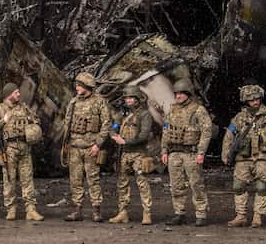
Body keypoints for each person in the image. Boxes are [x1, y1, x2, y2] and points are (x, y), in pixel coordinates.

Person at [224, 84, 266, 227]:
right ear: (245, 101)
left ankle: (258, 216)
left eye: (257, 99)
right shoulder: (239, 118)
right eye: (251, 100)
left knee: (262, 186)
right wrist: (226, 154)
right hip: (243, 158)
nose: (255, 102)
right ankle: (241, 215)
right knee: (239, 186)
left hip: (262, 158)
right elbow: (229, 136)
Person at [161, 79, 213, 226]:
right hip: (174, 153)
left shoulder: (198, 110)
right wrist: (164, 150)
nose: (178, 96)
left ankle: (201, 214)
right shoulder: (172, 110)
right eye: (176, 93)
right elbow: (166, 131)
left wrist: (201, 152)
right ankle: (179, 213)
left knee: (196, 184)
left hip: (191, 153)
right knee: (176, 185)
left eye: (181, 94)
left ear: (188, 94)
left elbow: (206, 131)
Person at [0, 83, 44, 222]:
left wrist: (32, 127)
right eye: (16, 92)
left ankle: (30, 209)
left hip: (24, 148)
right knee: (9, 180)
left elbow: (36, 120)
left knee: (27, 179)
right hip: (9, 150)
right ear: (9, 94)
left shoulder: (24, 108)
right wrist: (3, 121)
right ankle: (11, 208)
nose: (19, 94)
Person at [62, 72, 109, 222]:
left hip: (91, 147)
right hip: (75, 147)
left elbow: (106, 124)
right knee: (75, 180)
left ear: (86, 86)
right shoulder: (73, 102)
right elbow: (67, 124)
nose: (76, 87)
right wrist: (65, 144)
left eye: (79, 85)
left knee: (93, 179)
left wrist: (98, 144)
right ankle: (77, 210)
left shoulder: (99, 102)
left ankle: (96, 210)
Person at [109, 84, 155, 225]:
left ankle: (147, 213)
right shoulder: (123, 114)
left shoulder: (144, 114)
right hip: (124, 154)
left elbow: (144, 135)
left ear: (137, 98)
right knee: (122, 183)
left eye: (131, 98)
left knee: (142, 183)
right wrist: (113, 134)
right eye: (127, 98)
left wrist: (125, 141)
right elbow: (114, 127)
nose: (128, 100)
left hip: (139, 153)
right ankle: (123, 212)